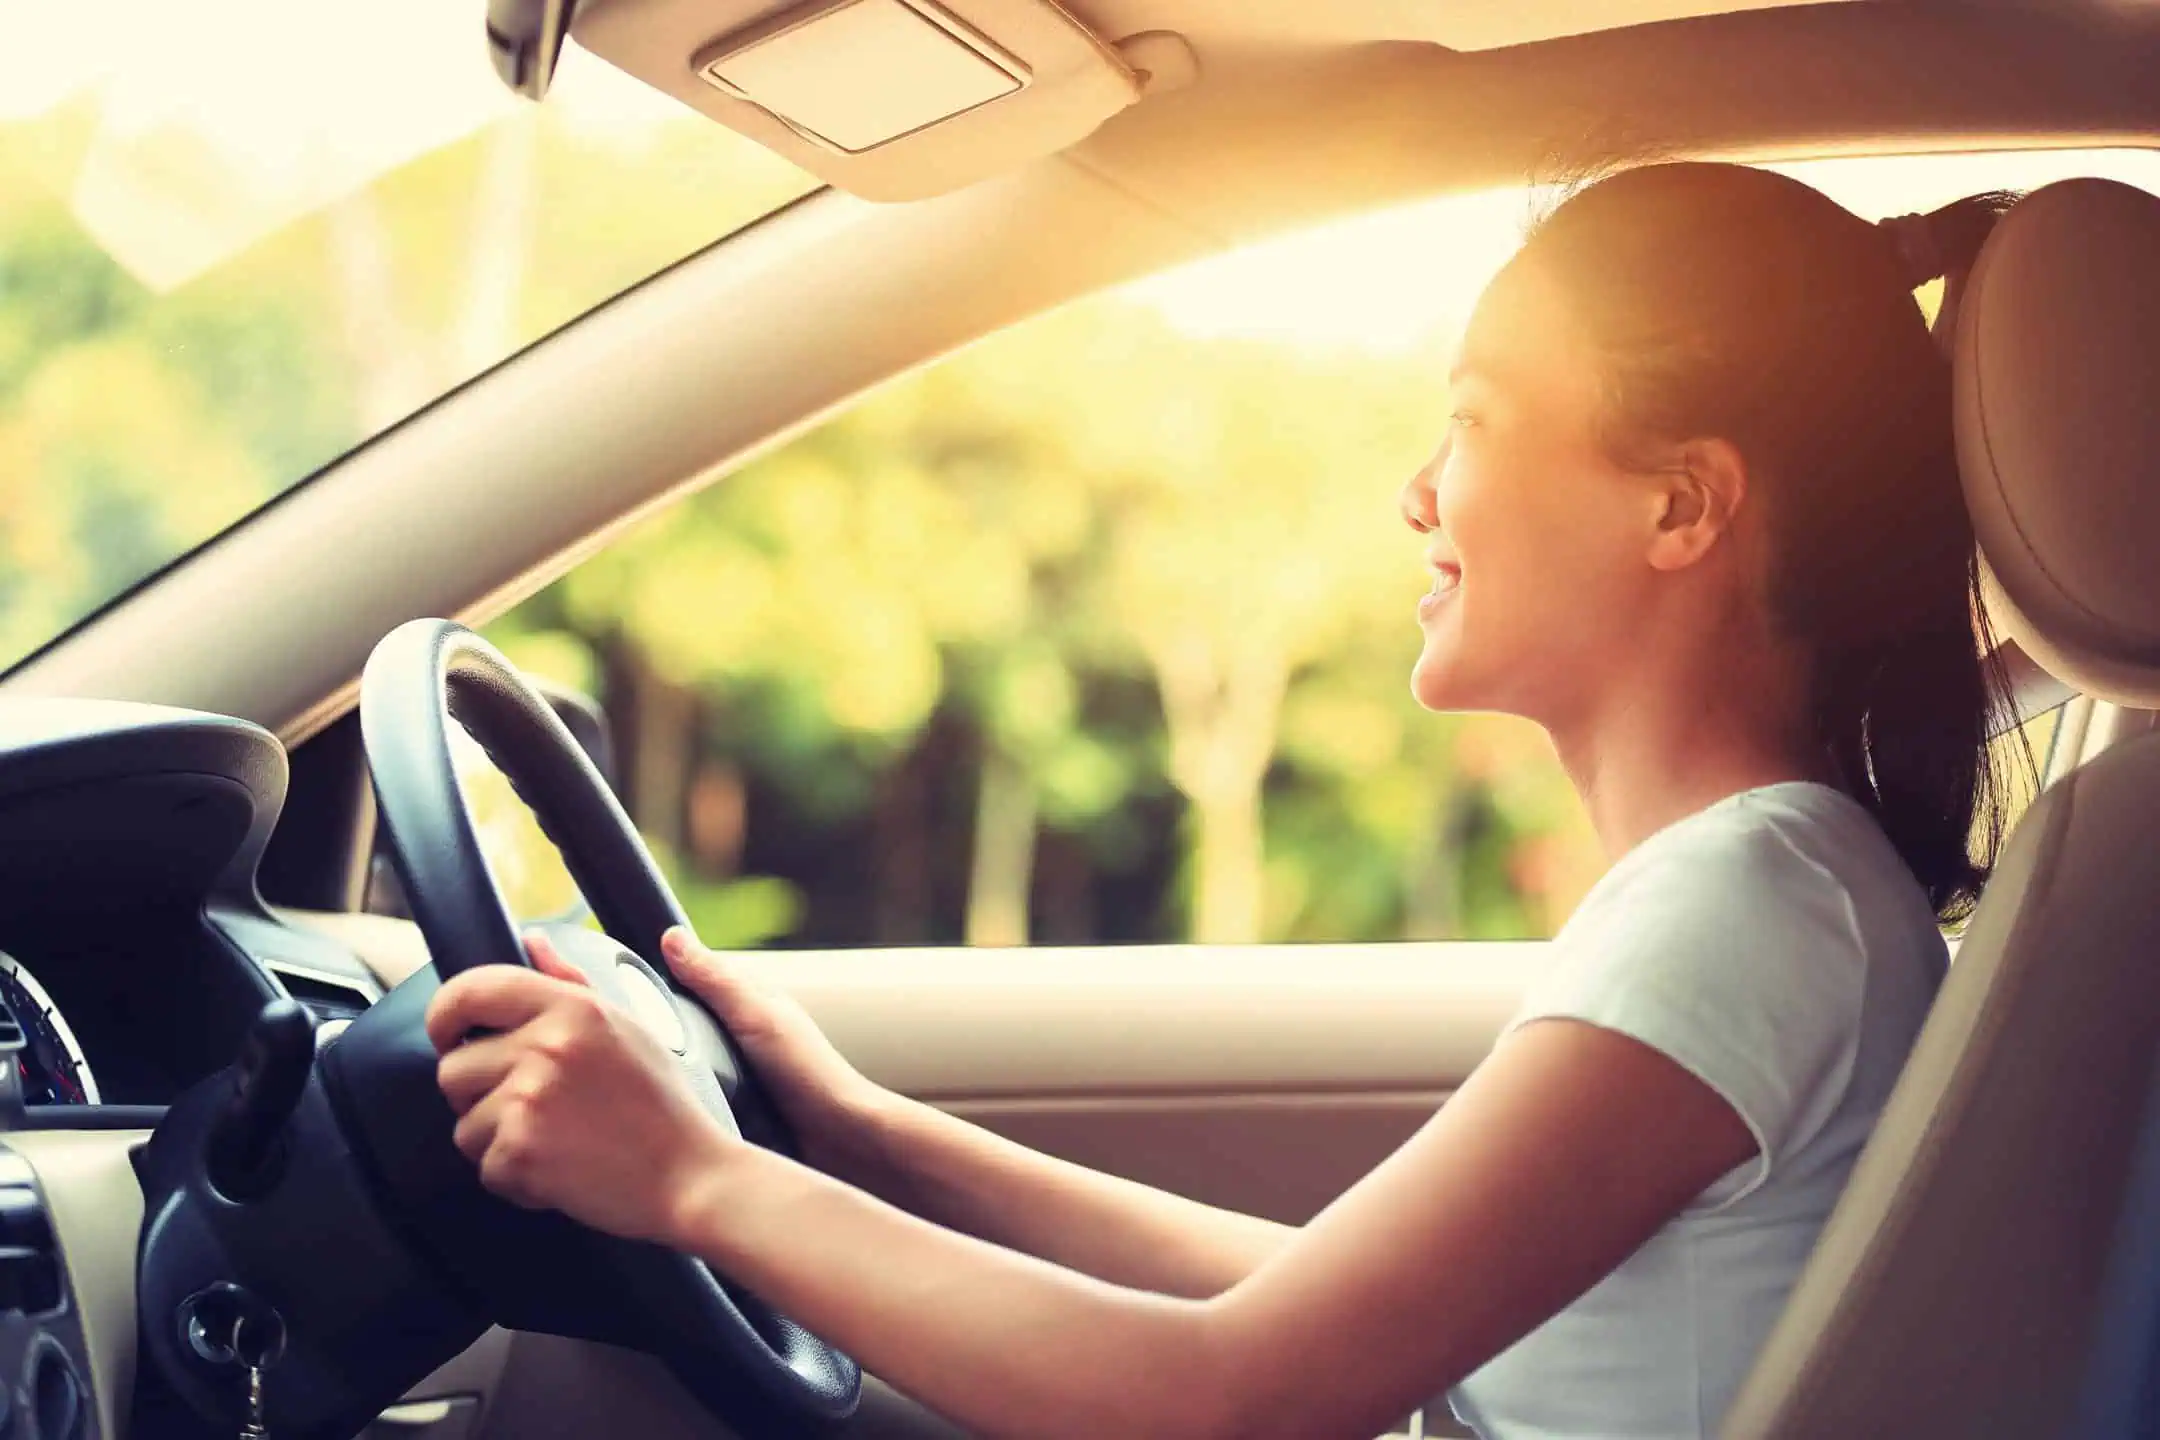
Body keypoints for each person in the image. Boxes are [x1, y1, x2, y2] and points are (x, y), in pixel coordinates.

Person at [422, 161, 2028, 1439]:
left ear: (1681, 503)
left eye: (1470, 421)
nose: (1417, 489)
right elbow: (1326, 1313)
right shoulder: (1769, 885)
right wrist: (863, 1134)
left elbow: (1239, 1394)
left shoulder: (1750, 903)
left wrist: (698, 1179)